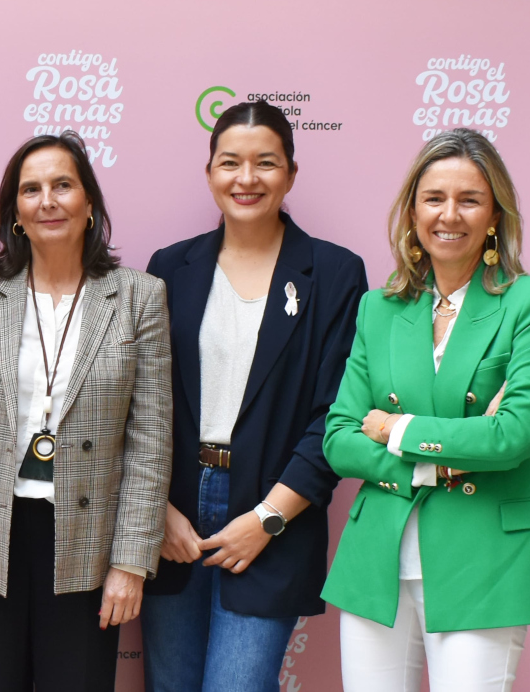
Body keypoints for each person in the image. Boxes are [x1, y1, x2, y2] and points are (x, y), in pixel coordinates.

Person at [323, 128, 530, 690]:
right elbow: (339, 438)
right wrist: (437, 462)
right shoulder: (379, 309)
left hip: (485, 558)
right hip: (378, 557)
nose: (449, 215)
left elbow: (510, 437)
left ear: (495, 215)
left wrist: (394, 426)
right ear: (413, 211)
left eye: (470, 199)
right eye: (434, 198)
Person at [139, 102, 368, 691]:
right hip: (174, 514)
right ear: (209, 172)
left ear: (291, 173)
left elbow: (335, 414)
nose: (247, 178)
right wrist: (156, 509)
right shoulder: (170, 268)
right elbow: (142, 402)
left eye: (265, 163)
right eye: (230, 162)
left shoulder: (334, 273)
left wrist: (268, 518)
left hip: (274, 512)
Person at [0, 131, 173, 691]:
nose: (47, 201)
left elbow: (151, 441)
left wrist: (131, 562)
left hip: (89, 545)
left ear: (89, 202)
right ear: (14, 213)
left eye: (62, 185)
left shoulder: (139, 296)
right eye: (31, 189)